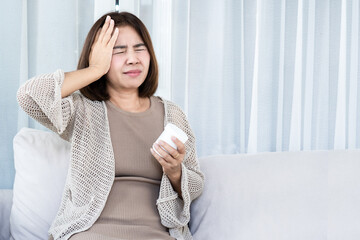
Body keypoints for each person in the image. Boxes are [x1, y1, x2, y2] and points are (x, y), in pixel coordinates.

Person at [17, 11, 204, 240]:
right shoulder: (83, 110)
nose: (133, 58)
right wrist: (94, 70)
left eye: (139, 48)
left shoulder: (173, 115)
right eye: (118, 50)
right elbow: (29, 95)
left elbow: (195, 186)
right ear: (99, 56)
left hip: (157, 234)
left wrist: (175, 172)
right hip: (91, 232)